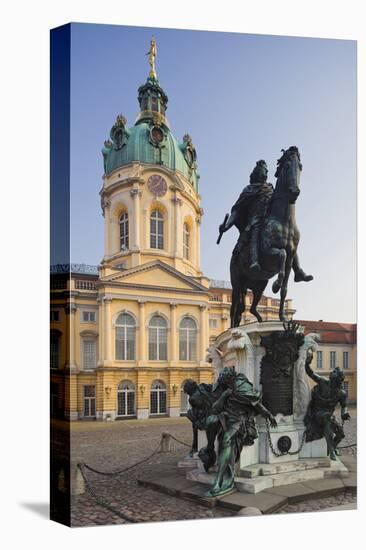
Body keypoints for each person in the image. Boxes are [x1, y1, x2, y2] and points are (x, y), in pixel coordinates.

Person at [203, 367, 277, 498]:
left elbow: (256, 404)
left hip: (238, 420)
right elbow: (215, 409)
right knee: (211, 420)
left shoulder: (242, 386)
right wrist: (224, 395)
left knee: (226, 439)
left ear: (230, 379)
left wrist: (269, 415)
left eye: (224, 382)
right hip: (226, 417)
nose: (223, 384)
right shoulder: (224, 388)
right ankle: (209, 450)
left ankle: (220, 480)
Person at [218, 160, 274, 272]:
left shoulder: (270, 189)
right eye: (263, 169)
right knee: (255, 230)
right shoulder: (248, 190)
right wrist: (227, 226)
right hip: (254, 222)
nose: (266, 172)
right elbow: (237, 210)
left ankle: (297, 269)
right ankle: (254, 261)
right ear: (257, 172)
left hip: (268, 222)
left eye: (266, 170)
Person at [304, 349, 351, 460]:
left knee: (340, 434)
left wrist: (345, 413)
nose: (331, 372)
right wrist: (307, 361)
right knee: (326, 419)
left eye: (334, 372)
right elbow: (310, 373)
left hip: (328, 414)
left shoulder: (341, 393)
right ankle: (331, 452)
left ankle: (333, 446)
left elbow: (344, 406)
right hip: (317, 412)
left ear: (339, 378)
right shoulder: (323, 381)